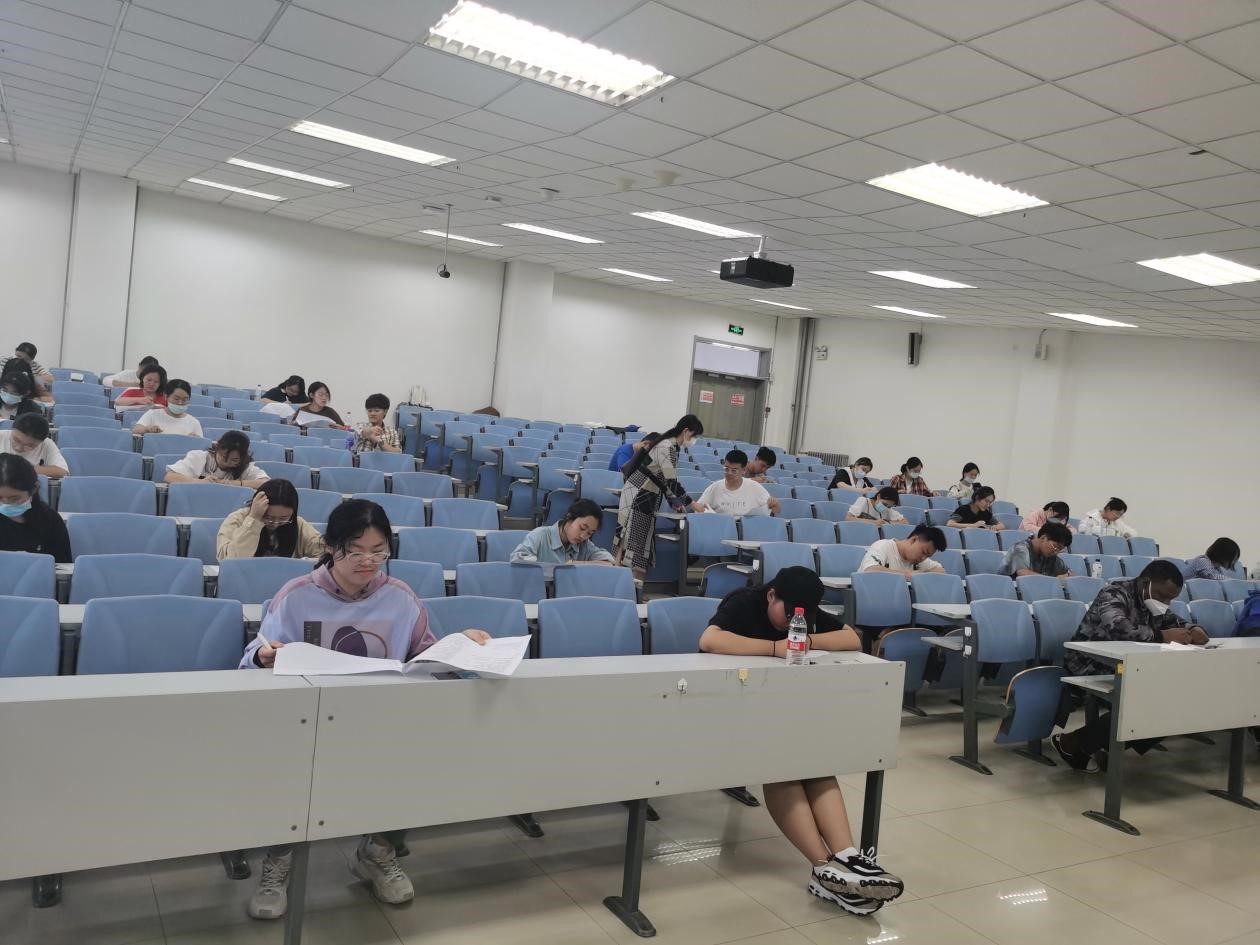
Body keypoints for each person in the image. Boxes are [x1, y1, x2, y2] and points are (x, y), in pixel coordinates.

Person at [241, 499, 492, 918]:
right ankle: (280, 859)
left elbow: (425, 654)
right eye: (356, 551)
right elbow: (255, 653)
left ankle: (377, 852)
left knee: (421, 762)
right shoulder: (297, 595)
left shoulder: (400, 597)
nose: (368, 562)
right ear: (330, 546)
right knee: (289, 771)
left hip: (382, 720)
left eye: (379, 552)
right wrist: (264, 655)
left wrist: (461, 645)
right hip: (311, 721)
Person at [699, 566, 904, 915]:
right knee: (783, 769)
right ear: (771, 595)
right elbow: (710, 640)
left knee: (814, 764)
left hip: (777, 714)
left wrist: (808, 641)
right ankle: (823, 866)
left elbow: (852, 638)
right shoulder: (743, 602)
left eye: (804, 616)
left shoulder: (802, 612)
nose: (796, 621)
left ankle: (846, 859)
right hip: (728, 711)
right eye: (789, 612)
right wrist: (774, 648)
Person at [1053, 560, 1208, 771]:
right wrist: (1163, 636)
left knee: (1173, 698)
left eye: (1171, 599)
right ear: (1146, 582)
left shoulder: (1153, 602)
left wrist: (1194, 629)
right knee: (1146, 700)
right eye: (1163, 596)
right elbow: (1118, 628)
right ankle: (1073, 743)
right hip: (1089, 662)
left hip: (1130, 664)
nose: (1166, 603)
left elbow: (1174, 621)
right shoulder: (1114, 593)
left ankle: (1099, 743)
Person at [616, 414, 703, 574]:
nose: (694, 440)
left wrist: (676, 503)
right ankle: (626, 583)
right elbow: (671, 483)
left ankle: (632, 584)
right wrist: (693, 504)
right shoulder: (666, 447)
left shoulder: (671, 446)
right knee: (631, 544)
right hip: (639, 495)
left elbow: (662, 480)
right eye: (694, 435)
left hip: (646, 494)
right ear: (686, 431)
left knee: (636, 545)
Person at [217, 479, 324, 560]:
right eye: (268, 517)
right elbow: (228, 561)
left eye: (283, 518)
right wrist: (253, 519)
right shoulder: (237, 519)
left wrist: (303, 563)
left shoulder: (298, 524)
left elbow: (325, 553)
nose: (275, 524)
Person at [0, 453, 71, 562]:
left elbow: (61, 564)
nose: (5, 503)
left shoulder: (50, 520)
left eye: (14, 498)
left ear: (34, 489)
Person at [510, 498, 615, 565]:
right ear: (569, 517)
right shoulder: (540, 535)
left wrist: (576, 564)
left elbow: (609, 563)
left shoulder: (585, 545)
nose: (583, 536)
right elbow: (517, 559)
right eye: (582, 528)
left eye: (589, 533)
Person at [165, 431, 269, 487]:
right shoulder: (200, 457)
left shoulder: (245, 466)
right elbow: (170, 477)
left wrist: (234, 483)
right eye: (223, 456)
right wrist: (199, 482)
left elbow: (266, 483)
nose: (226, 463)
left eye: (234, 460)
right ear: (217, 446)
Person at [694, 450, 780, 516]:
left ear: (744, 470)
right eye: (726, 469)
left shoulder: (755, 487)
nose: (729, 473)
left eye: (734, 470)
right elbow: (698, 509)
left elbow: (776, 509)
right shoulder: (715, 487)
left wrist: (775, 505)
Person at [0, 413, 69, 478]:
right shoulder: (1, 436)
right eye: (16, 440)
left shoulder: (47, 444)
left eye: (29, 446)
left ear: (41, 442)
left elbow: (63, 472)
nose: (18, 448)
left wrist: (22, 469)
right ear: (12, 429)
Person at [860, 525, 947, 576]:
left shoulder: (919, 560)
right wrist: (906, 575)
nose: (923, 558)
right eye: (924, 552)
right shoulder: (883, 546)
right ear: (914, 540)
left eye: (928, 556)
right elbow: (870, 570)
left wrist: (923, 574)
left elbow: (941, 570)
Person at [131, 379, 203, 436]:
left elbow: (201, 446)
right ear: (166, 397)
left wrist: (194, 440)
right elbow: (136, 430)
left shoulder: (194, 422)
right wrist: (148, 429)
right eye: (176, 399)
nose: (180, 403)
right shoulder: (153, 414)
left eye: (184, 400)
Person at [1001, 522, 1073, 580]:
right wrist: (1055, 580)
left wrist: (1067, 575)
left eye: (1060, 549)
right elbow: (1023, 573)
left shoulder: (1050, 555)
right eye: (1055, 546)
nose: (1056, 552)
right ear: (1043, 538)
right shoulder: (1020, 548)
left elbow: (1071, 574)